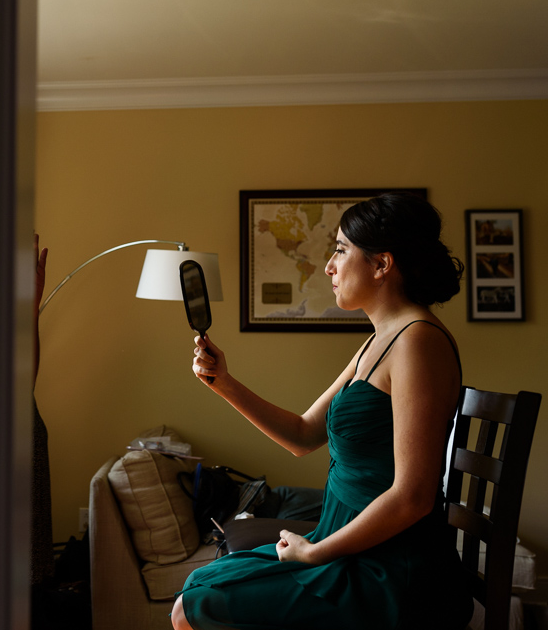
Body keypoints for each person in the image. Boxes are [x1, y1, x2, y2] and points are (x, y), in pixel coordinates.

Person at [170, 193, 474, 630]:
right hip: (342, 538)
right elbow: (302, 434)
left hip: (389, 566)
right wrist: (225, 383)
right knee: (198, 585)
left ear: (382, 264)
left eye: (340, 250)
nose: (329, 266)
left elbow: (413, 496)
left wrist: (315, 553)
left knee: (193, 608)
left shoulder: (416, 342)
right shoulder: (380, 340)